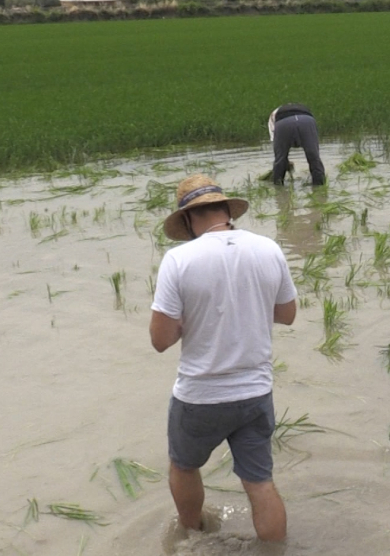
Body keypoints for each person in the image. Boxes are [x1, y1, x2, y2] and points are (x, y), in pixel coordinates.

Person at [149, 174, 297, 542]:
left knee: (184, 468)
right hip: (255, 393)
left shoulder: (178, 259)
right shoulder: (268, 248)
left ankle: (193, 537)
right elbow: (287, 314)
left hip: (200, 396)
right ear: (226, 210)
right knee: (260, 482)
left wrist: (192, 318)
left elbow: (160, 340)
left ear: (187, 219)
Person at [268, 103, 326, 186]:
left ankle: (278, 187)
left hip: (283, 124)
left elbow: (277, 146)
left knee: (280, 159)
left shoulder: (273, 116)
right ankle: (319, 185)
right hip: (307, 121)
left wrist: (285, 162)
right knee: (314, 156)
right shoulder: (305, 110)